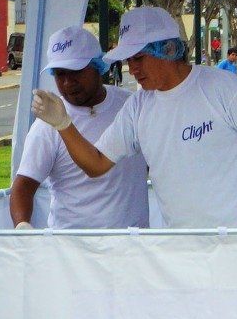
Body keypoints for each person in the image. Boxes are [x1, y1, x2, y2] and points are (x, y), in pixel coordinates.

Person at [35, 6, 237, 228]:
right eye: (128, 59)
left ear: (168, 49)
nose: (132, 68)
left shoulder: (222, 87)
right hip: (180, 247)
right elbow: (97, 164)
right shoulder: (138, 106)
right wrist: (63, 124)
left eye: (139, 58)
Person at [9, 26, 149, 230]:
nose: (67, 82)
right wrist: (22, 226)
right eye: (59, 74)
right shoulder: (48, 124)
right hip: (72, 249)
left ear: (98, 66)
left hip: (131, 245)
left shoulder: (130, 106)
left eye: (76, 72)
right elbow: (23, 186)